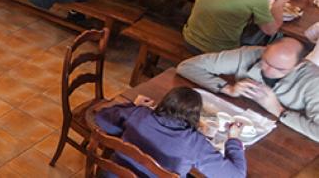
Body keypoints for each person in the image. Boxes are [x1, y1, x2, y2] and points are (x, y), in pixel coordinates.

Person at [177, 37, 319, 142]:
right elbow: (187, 66)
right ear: (265, 49)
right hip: (239, 123)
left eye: (280, 69)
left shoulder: (314, 81)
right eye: (266, 61)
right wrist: (227, 88)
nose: (268, 71)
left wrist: (279, 111)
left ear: (298, 66)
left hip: (286, 138)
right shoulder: (249, 54)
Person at [94, 87, 247, 177]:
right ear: (195, 116)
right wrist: (233, 139)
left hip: (112, 174)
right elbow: (237, 175)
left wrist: (133, 105)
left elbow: (101, 117)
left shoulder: (139, 114)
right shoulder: (195, 143)